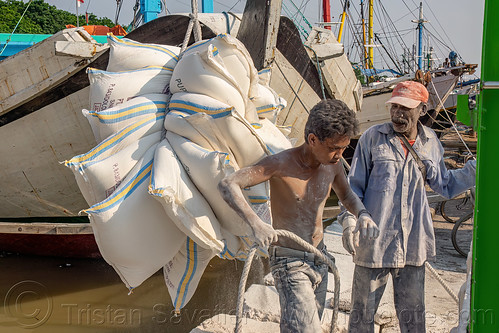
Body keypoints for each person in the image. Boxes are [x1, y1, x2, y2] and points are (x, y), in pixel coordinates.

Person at [218, 99, 379, 333]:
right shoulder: (281, 164)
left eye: (344, 148)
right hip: (289, 261)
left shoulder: (332, 165)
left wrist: (362, 214)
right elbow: (228, 184)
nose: (340, 154)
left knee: (300, 326)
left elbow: (346, 196)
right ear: (313, 139)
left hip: (320, 256)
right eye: (334, 147)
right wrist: (256, 223)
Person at [338, 81, 476, 332]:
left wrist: (473, 172)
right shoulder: (372, 138)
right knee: (361, 319)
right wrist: (349, 222)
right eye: (395, 107)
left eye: (406, 108)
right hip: (373, 245)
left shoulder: (430, 141)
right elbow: (352, 188)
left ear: (422, 110)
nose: (398, 113)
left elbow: (444, 184)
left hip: (413, 245)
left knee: (413, 321)